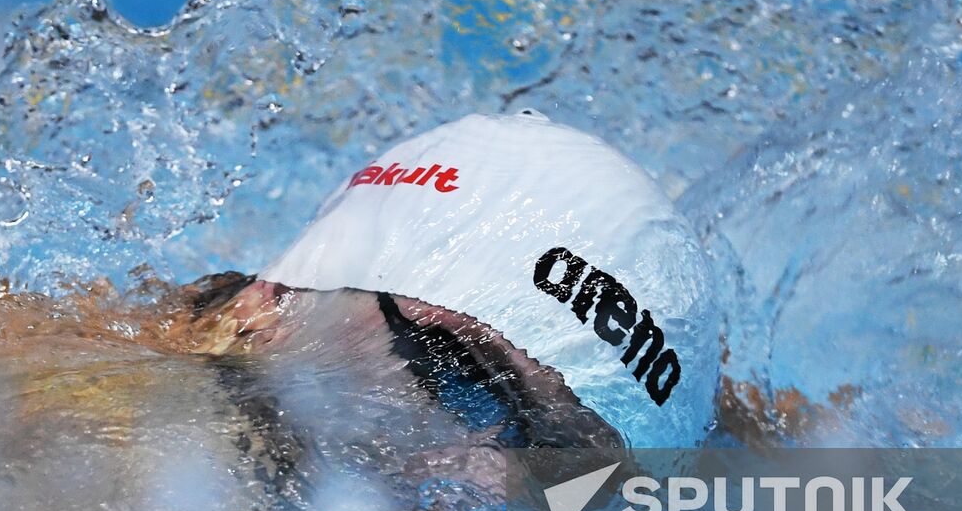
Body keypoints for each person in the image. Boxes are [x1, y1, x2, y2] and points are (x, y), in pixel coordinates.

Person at [174, 109, 720, 452]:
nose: (476, 471)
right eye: (463, 380)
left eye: (550, 451)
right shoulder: (150, 449)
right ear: (271, 299)